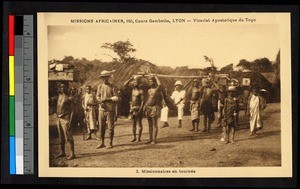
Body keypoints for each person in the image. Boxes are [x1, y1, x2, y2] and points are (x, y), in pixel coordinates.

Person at [96, 70, 119, 149]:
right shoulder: (99, 87)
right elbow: (97, 97)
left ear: (108, 78)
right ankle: (101, 142)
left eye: (106, 77)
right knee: (101, 127)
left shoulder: (112, 86)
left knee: (110, 127)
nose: (104, 79)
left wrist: (105, 99)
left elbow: (116, 98)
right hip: (101, 109)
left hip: (110, 109)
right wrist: (100, 102)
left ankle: (110, 143)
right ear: (102, 78)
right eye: (103, 78)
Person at [55, 83, 76, 160]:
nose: (62, 88)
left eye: (64, 87)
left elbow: (73, 111)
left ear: (67, 88)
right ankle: (63, 152)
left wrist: (70, 121)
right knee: (61, 137)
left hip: (66, 119)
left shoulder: (70, 98)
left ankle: (72, 153)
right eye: (61, 87)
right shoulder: (59, 96)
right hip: (58, 119)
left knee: (69, 137)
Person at [144, 74, 165, 144]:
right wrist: (145, 106)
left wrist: (156, 76)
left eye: (151, 81)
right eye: (149, 81)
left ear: (154, 82)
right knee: (150, 124)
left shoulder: (157, 89)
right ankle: (150, 139)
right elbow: (148, 99)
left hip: (154, 108)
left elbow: (160, 85)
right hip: (148, 108)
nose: (150, 83)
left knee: (154, 124)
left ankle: (154, 140)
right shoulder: (149, 90)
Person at [124, 75, 145, 142]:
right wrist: (131, 78)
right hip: (133, 108)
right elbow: (125, 84)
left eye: (136, 82)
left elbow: (142, 101)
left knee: (139, 123)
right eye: (134, 81)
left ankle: (139, 138)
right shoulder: (133, 89)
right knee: (133, 123)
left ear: (138, 82)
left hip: (138, 108)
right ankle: (134, 137)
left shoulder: (141, 91)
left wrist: (141, 109)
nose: (134, 83)